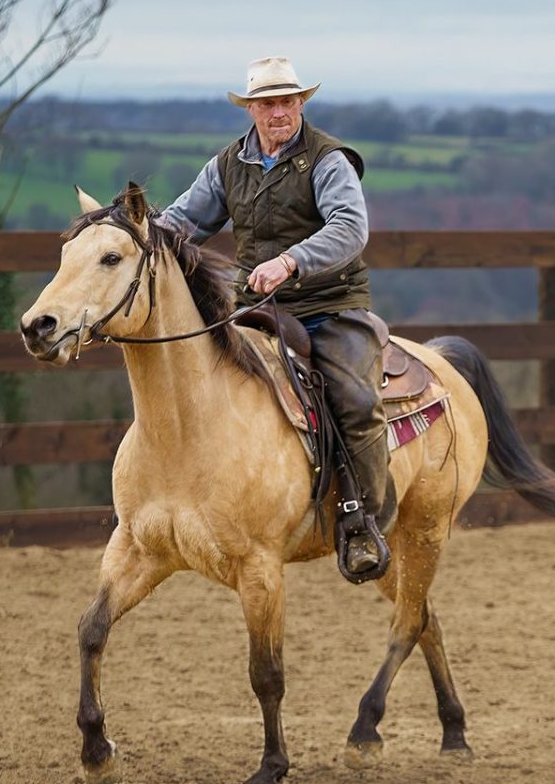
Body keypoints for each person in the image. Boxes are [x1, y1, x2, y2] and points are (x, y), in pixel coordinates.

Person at [156, 56, 392, 581]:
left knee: (354, 400)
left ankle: (365, 521)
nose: (278, 112)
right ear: (252, 110)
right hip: (254, 310)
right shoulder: (227, 165)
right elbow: (184, 220)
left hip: (328, 305)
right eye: (267, 103)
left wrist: (291, 261)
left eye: (287, 101)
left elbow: (351, 227)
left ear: (301, 103)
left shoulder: (329, 161)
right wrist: (132, 235)